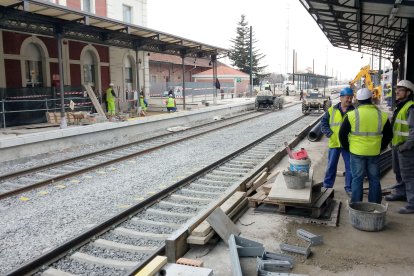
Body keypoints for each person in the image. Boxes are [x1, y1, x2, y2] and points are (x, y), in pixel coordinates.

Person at [339, 88, 393, 203]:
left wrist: (348, 148)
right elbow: (389, 135)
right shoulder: (382, 115)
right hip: (374, 152)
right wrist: (381, 147)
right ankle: (374, 206)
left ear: (358, 100)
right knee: (374, 179)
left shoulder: (352, 115)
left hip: (356, 152)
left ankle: (356, 205)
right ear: (371, 99)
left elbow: (342, 135)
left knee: (357, 179)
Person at [384, 80, 414, 214]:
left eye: (400, 90)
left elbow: (413, 131)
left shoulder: (410, 107)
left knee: (408, 175)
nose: (396, 92)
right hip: (397, 145)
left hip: (406, 148)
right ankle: (401, 193)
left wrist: (406, 146)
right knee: (398, 172)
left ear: (408, 93)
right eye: (397, 89)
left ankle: (412, 203)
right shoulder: (400, 106)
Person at [320, 87, 355, 197]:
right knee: (331, 166)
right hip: (335, 143)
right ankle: (327, 186)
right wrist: (329, 134)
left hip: (348, 144)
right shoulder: (332, 110)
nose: (349, 100)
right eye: (347, 97)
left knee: (350, 167)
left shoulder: (355, 111)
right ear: (341, 98)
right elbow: (323, 123)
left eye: (351, 98)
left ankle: (349, 188)